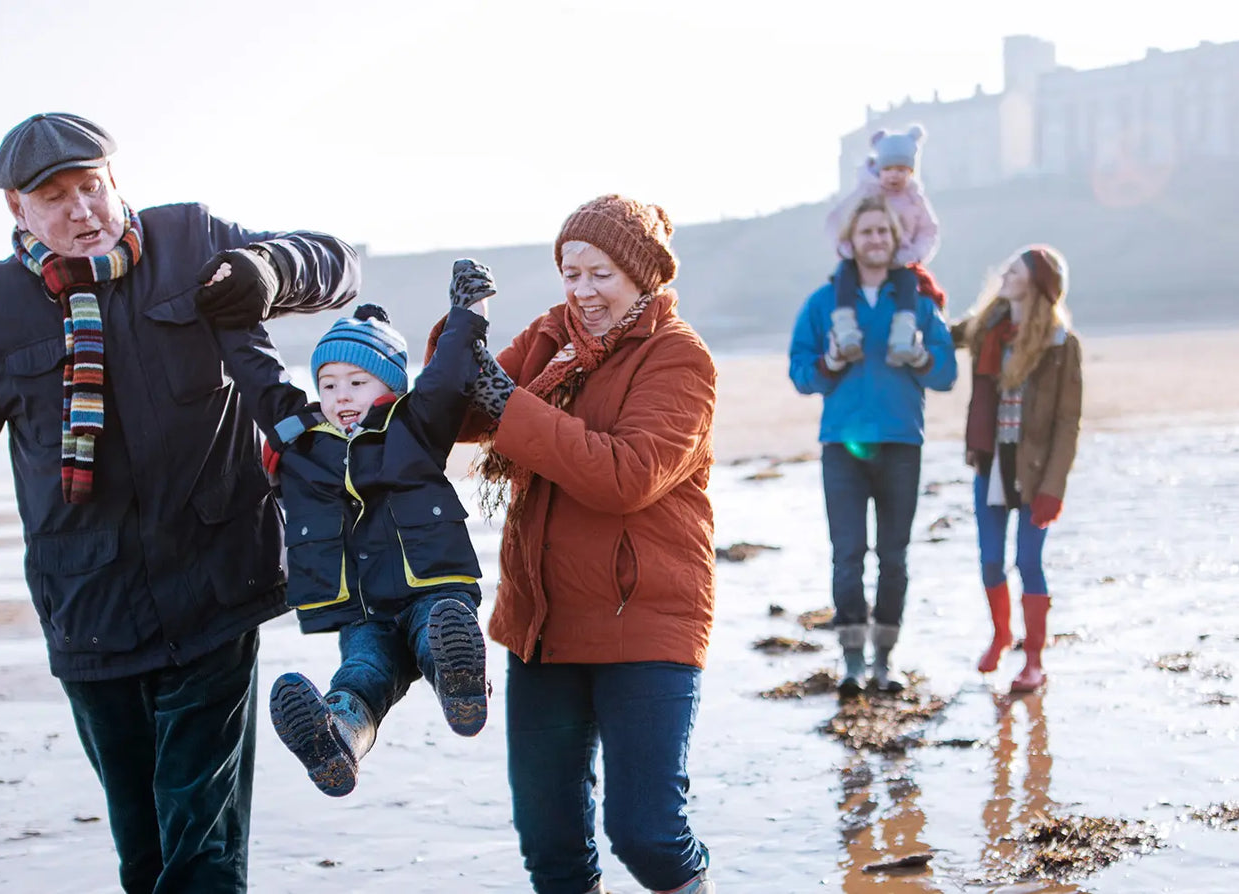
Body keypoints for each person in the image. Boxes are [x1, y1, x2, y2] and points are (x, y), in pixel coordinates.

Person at [0, 112, 359, 893]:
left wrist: (270, 272)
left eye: (92, 187)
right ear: (17, 208)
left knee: (202, 850)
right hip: (91, 612)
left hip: (217, 592)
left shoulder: (192, 243)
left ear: (115, 179)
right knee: (144, 854)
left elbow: (337, 263)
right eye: (55, 197)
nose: (82, 211)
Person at [433, 195, 718, 894]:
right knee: (551, 847)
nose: (583, 293)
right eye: (570, 273)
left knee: (648, 836)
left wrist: (508, 400)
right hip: (542, 623)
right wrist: (460, 338)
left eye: (601, 275)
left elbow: (625, 476)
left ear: (642, 276)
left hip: (644, 625)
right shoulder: (550, 336)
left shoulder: (679, 359)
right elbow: (457, 411)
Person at [195, 258, 498, 799]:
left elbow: (449, 374)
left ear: (388, 387)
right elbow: (259, 375)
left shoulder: (413, 425)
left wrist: (469, 313)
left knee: (437, 635)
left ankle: (461, 685)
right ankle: (337, 740)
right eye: (328, 384)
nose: (341, 395)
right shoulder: (301, 439)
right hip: (364, 609)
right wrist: (228, 316)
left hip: (430, 588)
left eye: (357, 382)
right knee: (362, 673)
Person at [789, 194, 957, 697]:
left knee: (895, 556)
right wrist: (831, 363)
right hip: (842, 445)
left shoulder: (919, 303)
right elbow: (800, 372)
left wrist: (923, 356)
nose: (876, 240)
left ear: (896, 238)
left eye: (883, 231)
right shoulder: (822, 304)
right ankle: (852, 663)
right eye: (867, 232)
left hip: (902, 442)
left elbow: (947, 373)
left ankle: (886, 661)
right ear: (850, 241)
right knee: (847, 555)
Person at [951, 246, 1080, 693]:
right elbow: (944, 335)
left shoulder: (1061, 344)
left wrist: (1054, 488)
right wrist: (917, 288)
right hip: (991, 462)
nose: (1005, 272)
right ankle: (1001, 633)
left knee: (1028, 561)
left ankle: (1035, 661)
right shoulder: (988, 330)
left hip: (1037, 470)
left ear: (1039, 281)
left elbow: (1068, 422)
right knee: (990, 561)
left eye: (1016, 268)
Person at [825, 124, 944, 366]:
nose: (894, 176)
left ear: (911, 172)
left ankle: (903, 335)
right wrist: (847, 248)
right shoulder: (866, 192)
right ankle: (846, 328)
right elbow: (839, 219)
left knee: (909, 284)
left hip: (901, 259)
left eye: (901, 169)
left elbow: (929, 230)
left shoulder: (914, 198)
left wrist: (914, 254)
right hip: (862, 261)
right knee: (844, 277)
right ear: (879, 169)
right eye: (888, 169)